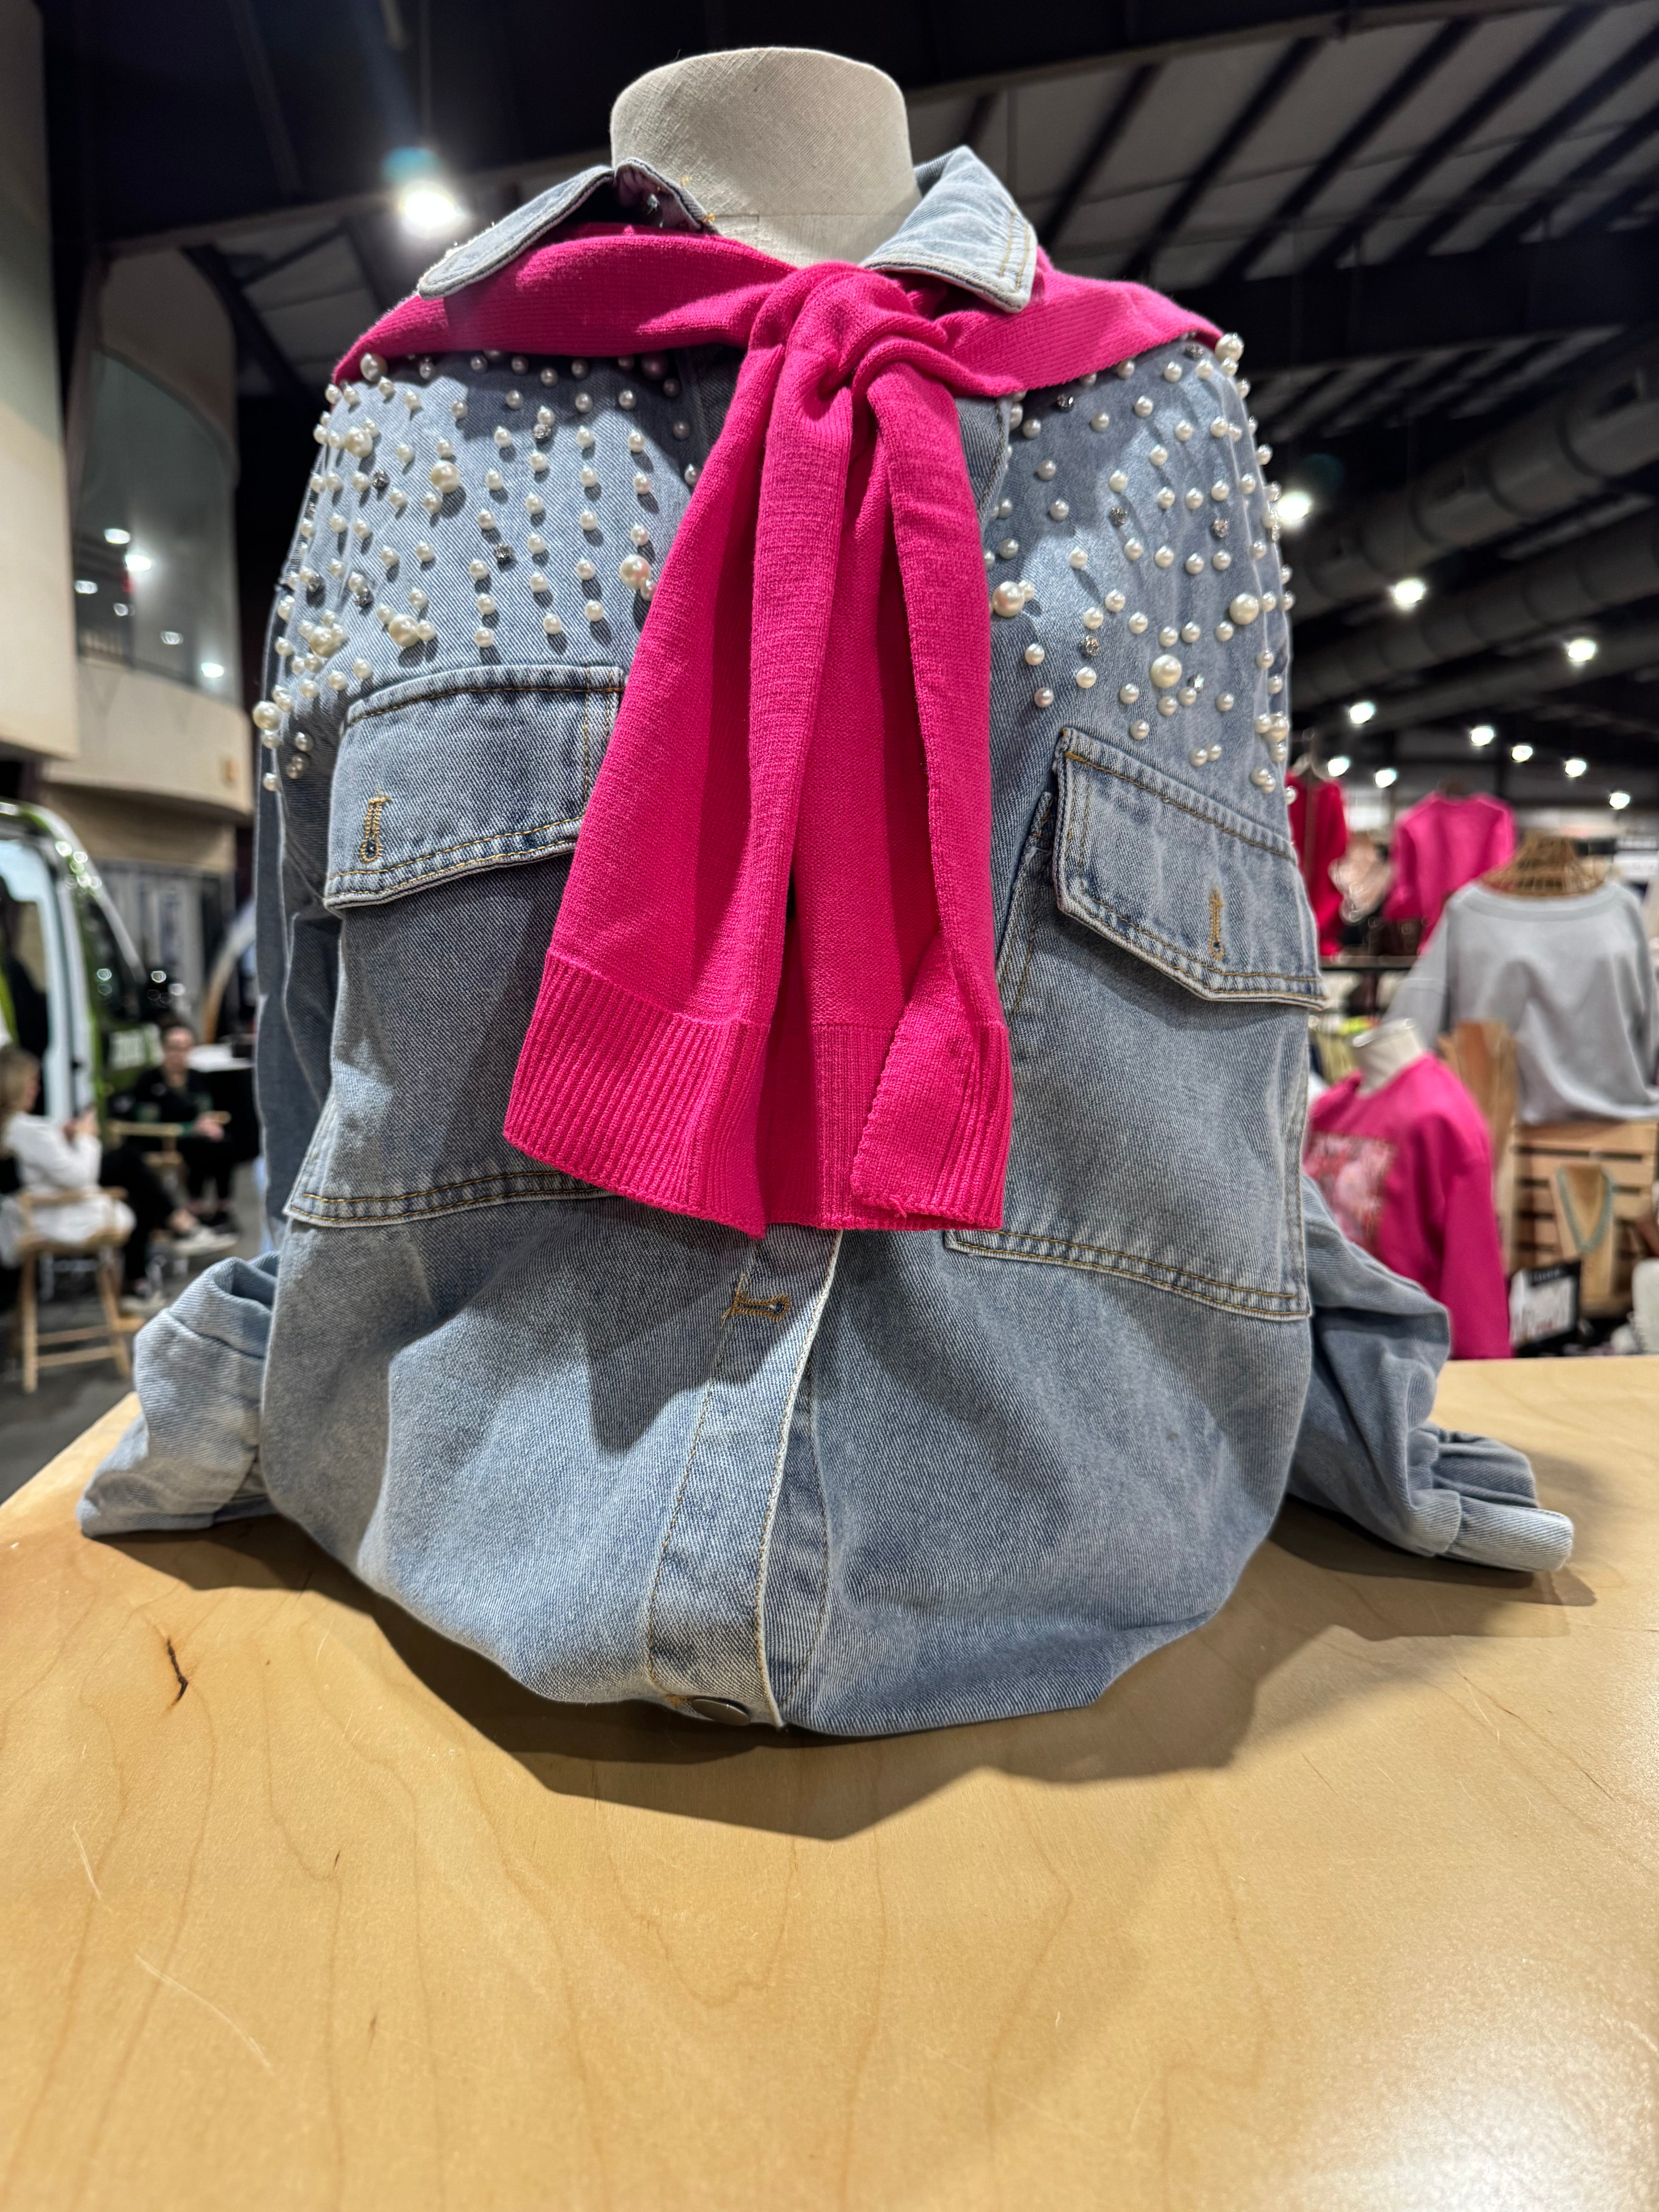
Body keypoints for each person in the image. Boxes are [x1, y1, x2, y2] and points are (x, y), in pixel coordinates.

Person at [0, 1045, 230, 1313]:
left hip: (48, 1208)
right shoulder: (27, 1130)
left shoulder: (17, 1129)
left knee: (132, 1172)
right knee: (132, 1174)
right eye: (32, 1083)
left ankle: (156, 1258)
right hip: (57, 1214)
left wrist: (66, 1139)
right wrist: (85, 1137)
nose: (36, 1089)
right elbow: (79, 1177)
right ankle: (175, 1232)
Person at [111, 1021, 236, 1226]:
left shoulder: (197, 1078)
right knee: (199, 1146)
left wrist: (209, 1124)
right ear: (164, 1049)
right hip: (160, 1139)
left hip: (195, 1136)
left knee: (223, 1142)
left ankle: (223, 1206)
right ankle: (195, 1205)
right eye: (174, 1048)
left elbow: (206, 1110)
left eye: (185, 1048)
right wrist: (189, 1129)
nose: (179, 1054)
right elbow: (147, 1120)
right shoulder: (150, 1080)